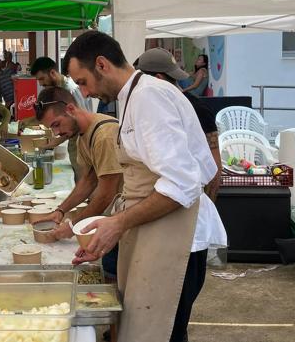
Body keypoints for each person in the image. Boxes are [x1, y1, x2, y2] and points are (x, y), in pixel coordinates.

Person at [65, 31, 225, 342]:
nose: (86, 91)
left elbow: (182, 184)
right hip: (156, 229)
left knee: (162, 332)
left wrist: (119, 223)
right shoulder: (133, 95)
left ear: (101, 64)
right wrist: (110, 225)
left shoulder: (149, 98)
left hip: (177, 237)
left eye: (83, 81)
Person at [31, 86, 122, 280]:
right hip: (116, 216)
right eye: (52, 128)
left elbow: (106, 194)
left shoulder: (104, 135)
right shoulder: (82, 136)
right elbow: (88, 180)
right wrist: (60, 211)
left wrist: (73, 225)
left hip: (128, 217)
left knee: (116, 275)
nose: (56, 133)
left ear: (71, 109)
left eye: (57, 124)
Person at [134, 48, 223, 202]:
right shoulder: (154, 109)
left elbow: (214, 167)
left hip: (190, 202)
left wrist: (206, 205)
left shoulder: (196, 108)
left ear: (158, 79)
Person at [26, 56, 95, 182]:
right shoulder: (59, 90)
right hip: (75, 144)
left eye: (42, 78)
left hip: (83, 145)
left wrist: (56, 141)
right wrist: (55, 142)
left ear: (52, 73)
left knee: (85, 182)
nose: (40, 83)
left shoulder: (72, 90)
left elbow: (81, 121)